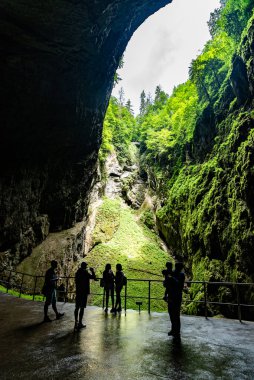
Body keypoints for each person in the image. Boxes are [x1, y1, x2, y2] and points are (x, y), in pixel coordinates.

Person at [74, 262, 97, 330]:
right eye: (86, 266)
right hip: (84, 292)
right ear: (84, 266)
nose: (87, 267)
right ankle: (80, 323)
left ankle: (76, 321)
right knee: (82, 307)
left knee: (77, 307)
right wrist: (92, 271)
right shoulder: (85, 272)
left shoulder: (77, 272)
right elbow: (93, 277)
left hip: (78, 291)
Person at [166, 262, 185, 339]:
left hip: (177, 297)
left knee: (176, 314)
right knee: (171, 313)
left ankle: (177, 331)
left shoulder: (181, 275)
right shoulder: (174, 273)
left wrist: (172, 278)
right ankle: (173, 329)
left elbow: (180, 285)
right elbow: (168, 284)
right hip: (172, 296)